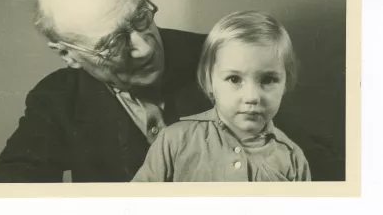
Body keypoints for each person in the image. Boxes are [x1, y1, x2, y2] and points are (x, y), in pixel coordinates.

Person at [0, 0, 212, 183]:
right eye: (112, 43)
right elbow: (10, 178)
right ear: (68, 54)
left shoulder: (221, 56)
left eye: (140, 16)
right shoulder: (58, 98)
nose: (145, 48)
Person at [132, 11, 311, 182]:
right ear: (209, 82)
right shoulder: (175, 140)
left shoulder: (291, 158)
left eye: (268, 80)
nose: (252, 97)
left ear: (286, 82)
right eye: (234, 79)